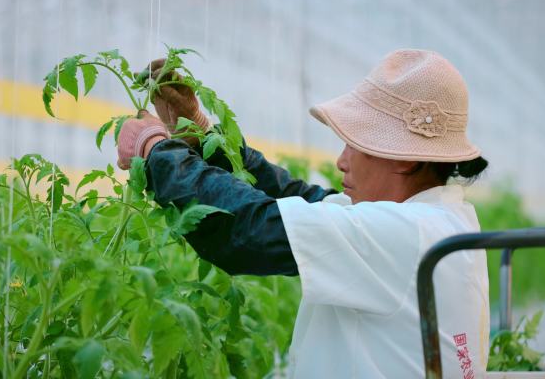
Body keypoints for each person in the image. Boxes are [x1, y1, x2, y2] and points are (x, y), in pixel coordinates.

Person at [117, 49, 490, 378]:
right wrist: (201, 133)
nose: (342, 161)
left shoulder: (406, 234)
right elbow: (293, 197)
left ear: (405, 159)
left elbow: (246, 230)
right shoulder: (437, 220)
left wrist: (154, 149)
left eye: (355, 144)